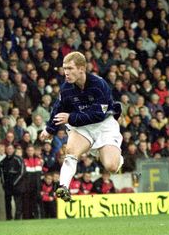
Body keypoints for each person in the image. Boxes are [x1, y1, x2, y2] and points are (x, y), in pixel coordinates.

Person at [39, 52, 123, 202]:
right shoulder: (66, 88)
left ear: (82, 69)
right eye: (65, 68)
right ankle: (63, 187)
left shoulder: (99, 84)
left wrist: (70, 117)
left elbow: (98, 114)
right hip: (82, 127)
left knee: (111, 166)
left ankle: (111, 155)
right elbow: (58, 108)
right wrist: (49, 129)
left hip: (104, 125)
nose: (66, 72)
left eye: (70, 68)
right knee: (70, 152)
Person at [0, 144, 24, 220]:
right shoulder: (3, 161)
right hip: (7, 186)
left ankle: (17, 219)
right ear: (6, 150)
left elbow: (22, 173)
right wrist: (4, 184)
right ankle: (8, 218)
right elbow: (1, 174)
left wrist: (15, 183)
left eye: (11, 149)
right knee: (7, 204)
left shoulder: (18, 159)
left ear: (13, 150)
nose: (9, 150)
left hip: (17, 185)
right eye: (8, 149)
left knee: (18, 204)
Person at [21, 145, 43, 219]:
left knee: (36, 203)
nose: (30, 152)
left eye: (32, 150)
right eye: (29, 150)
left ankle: (37, 218)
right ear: (26, 151)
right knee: (27, 204)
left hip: (36, 187)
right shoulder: (23, 161)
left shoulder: (38, 160)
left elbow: (39, 175)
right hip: (26, 187)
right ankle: (27, 218)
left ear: (34, 151)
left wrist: (39, 187)